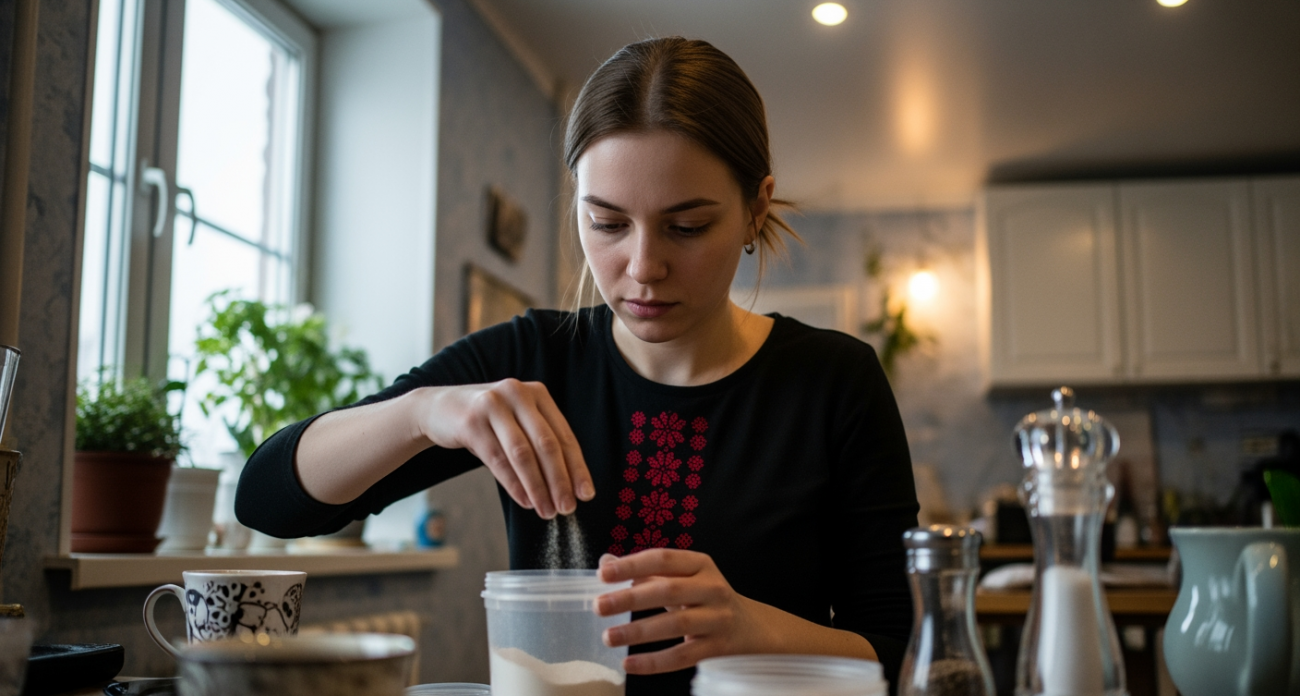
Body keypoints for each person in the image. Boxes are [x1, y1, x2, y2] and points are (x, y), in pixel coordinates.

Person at [236, 36, 919, 696]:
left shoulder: (836, 382)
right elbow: (268, 499)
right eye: (608, 223)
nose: (643, 267)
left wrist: (749, 626)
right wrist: (425, 412)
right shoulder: (532, 359)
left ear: (754, 208)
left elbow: (898, 651)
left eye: (686, 227)